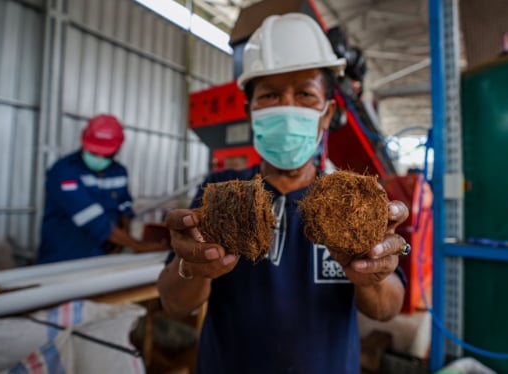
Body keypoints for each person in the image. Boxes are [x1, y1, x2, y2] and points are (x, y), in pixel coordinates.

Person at [157, 13, 410, 373]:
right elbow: (175, 304)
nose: (287, 107)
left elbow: (386, 309)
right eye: (270, 95)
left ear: (327, 113)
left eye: (305, 94)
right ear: (251, 112)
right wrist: (194, 266)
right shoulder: (219, 197)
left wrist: (373, 273)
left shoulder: (352, 203)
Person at [37, 114, 167, 264]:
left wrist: (121, 241)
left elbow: (124, 206)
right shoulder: (64, 173)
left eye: (106, 154)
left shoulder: (119, 172)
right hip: (64, 257)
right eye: (93, 152)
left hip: (102, 257)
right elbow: (93, 219)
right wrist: (136, 245)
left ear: (117, 149)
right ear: (83, 141)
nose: (99, 157)